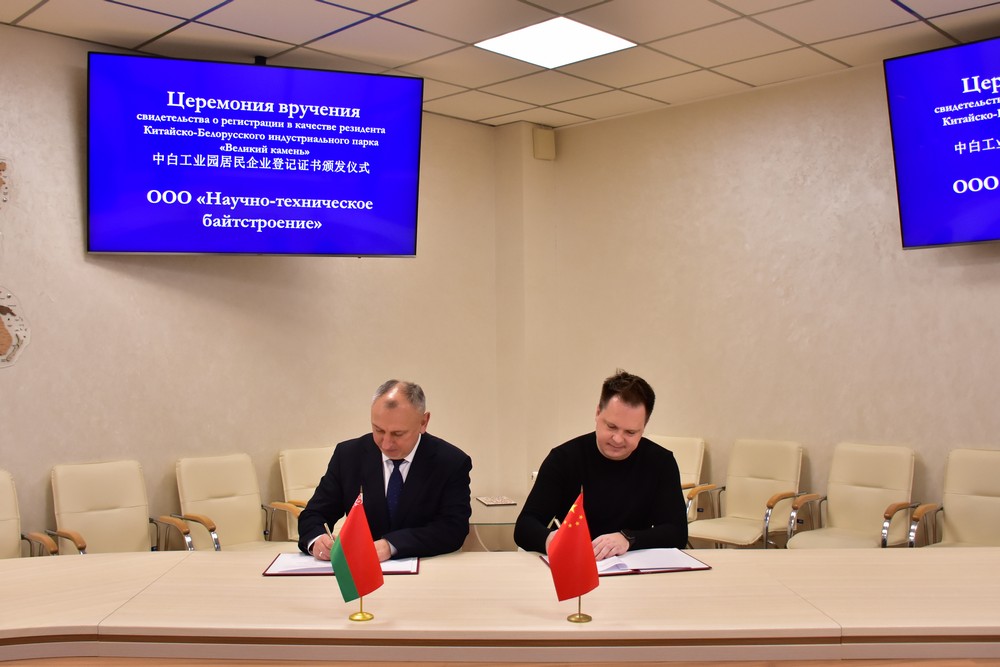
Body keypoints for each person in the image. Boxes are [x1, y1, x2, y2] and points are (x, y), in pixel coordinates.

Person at [514, 370, 688, 560]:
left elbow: (677, 532)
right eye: (611, 427)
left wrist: (628, 538)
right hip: (575, 563)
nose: (618, 439)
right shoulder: (564, 458)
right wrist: (552, 540)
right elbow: (525, 526)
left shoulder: (660, 462)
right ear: (597, 413)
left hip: (633, 565)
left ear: (644, 427)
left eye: (630, 432)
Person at [298, 380, 472, 562]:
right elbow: (314, 515)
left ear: (423, 422)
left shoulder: (451, 462)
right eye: (379, 430)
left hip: (426, 568)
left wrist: (391, 546)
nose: (387, 444)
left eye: (398, 434)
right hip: (360, 568)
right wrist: (317, 540)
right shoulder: (348, 456)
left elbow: (453, 529)